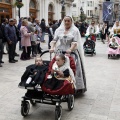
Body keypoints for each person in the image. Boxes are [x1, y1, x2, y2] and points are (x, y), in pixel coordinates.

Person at [49, 16, 87, 92]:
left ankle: (73, 86)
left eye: (68, 21)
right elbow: (54, 40)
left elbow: (75, 42)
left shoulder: (75, 30)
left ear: (71, 21)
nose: (66, 22)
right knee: (57, 66)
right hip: (60, 50)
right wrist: (52, 47)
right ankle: (57, 85)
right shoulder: (59, 30)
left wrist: (70, 49)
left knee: (71, 67)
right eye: (65, 21)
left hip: (70, 51)